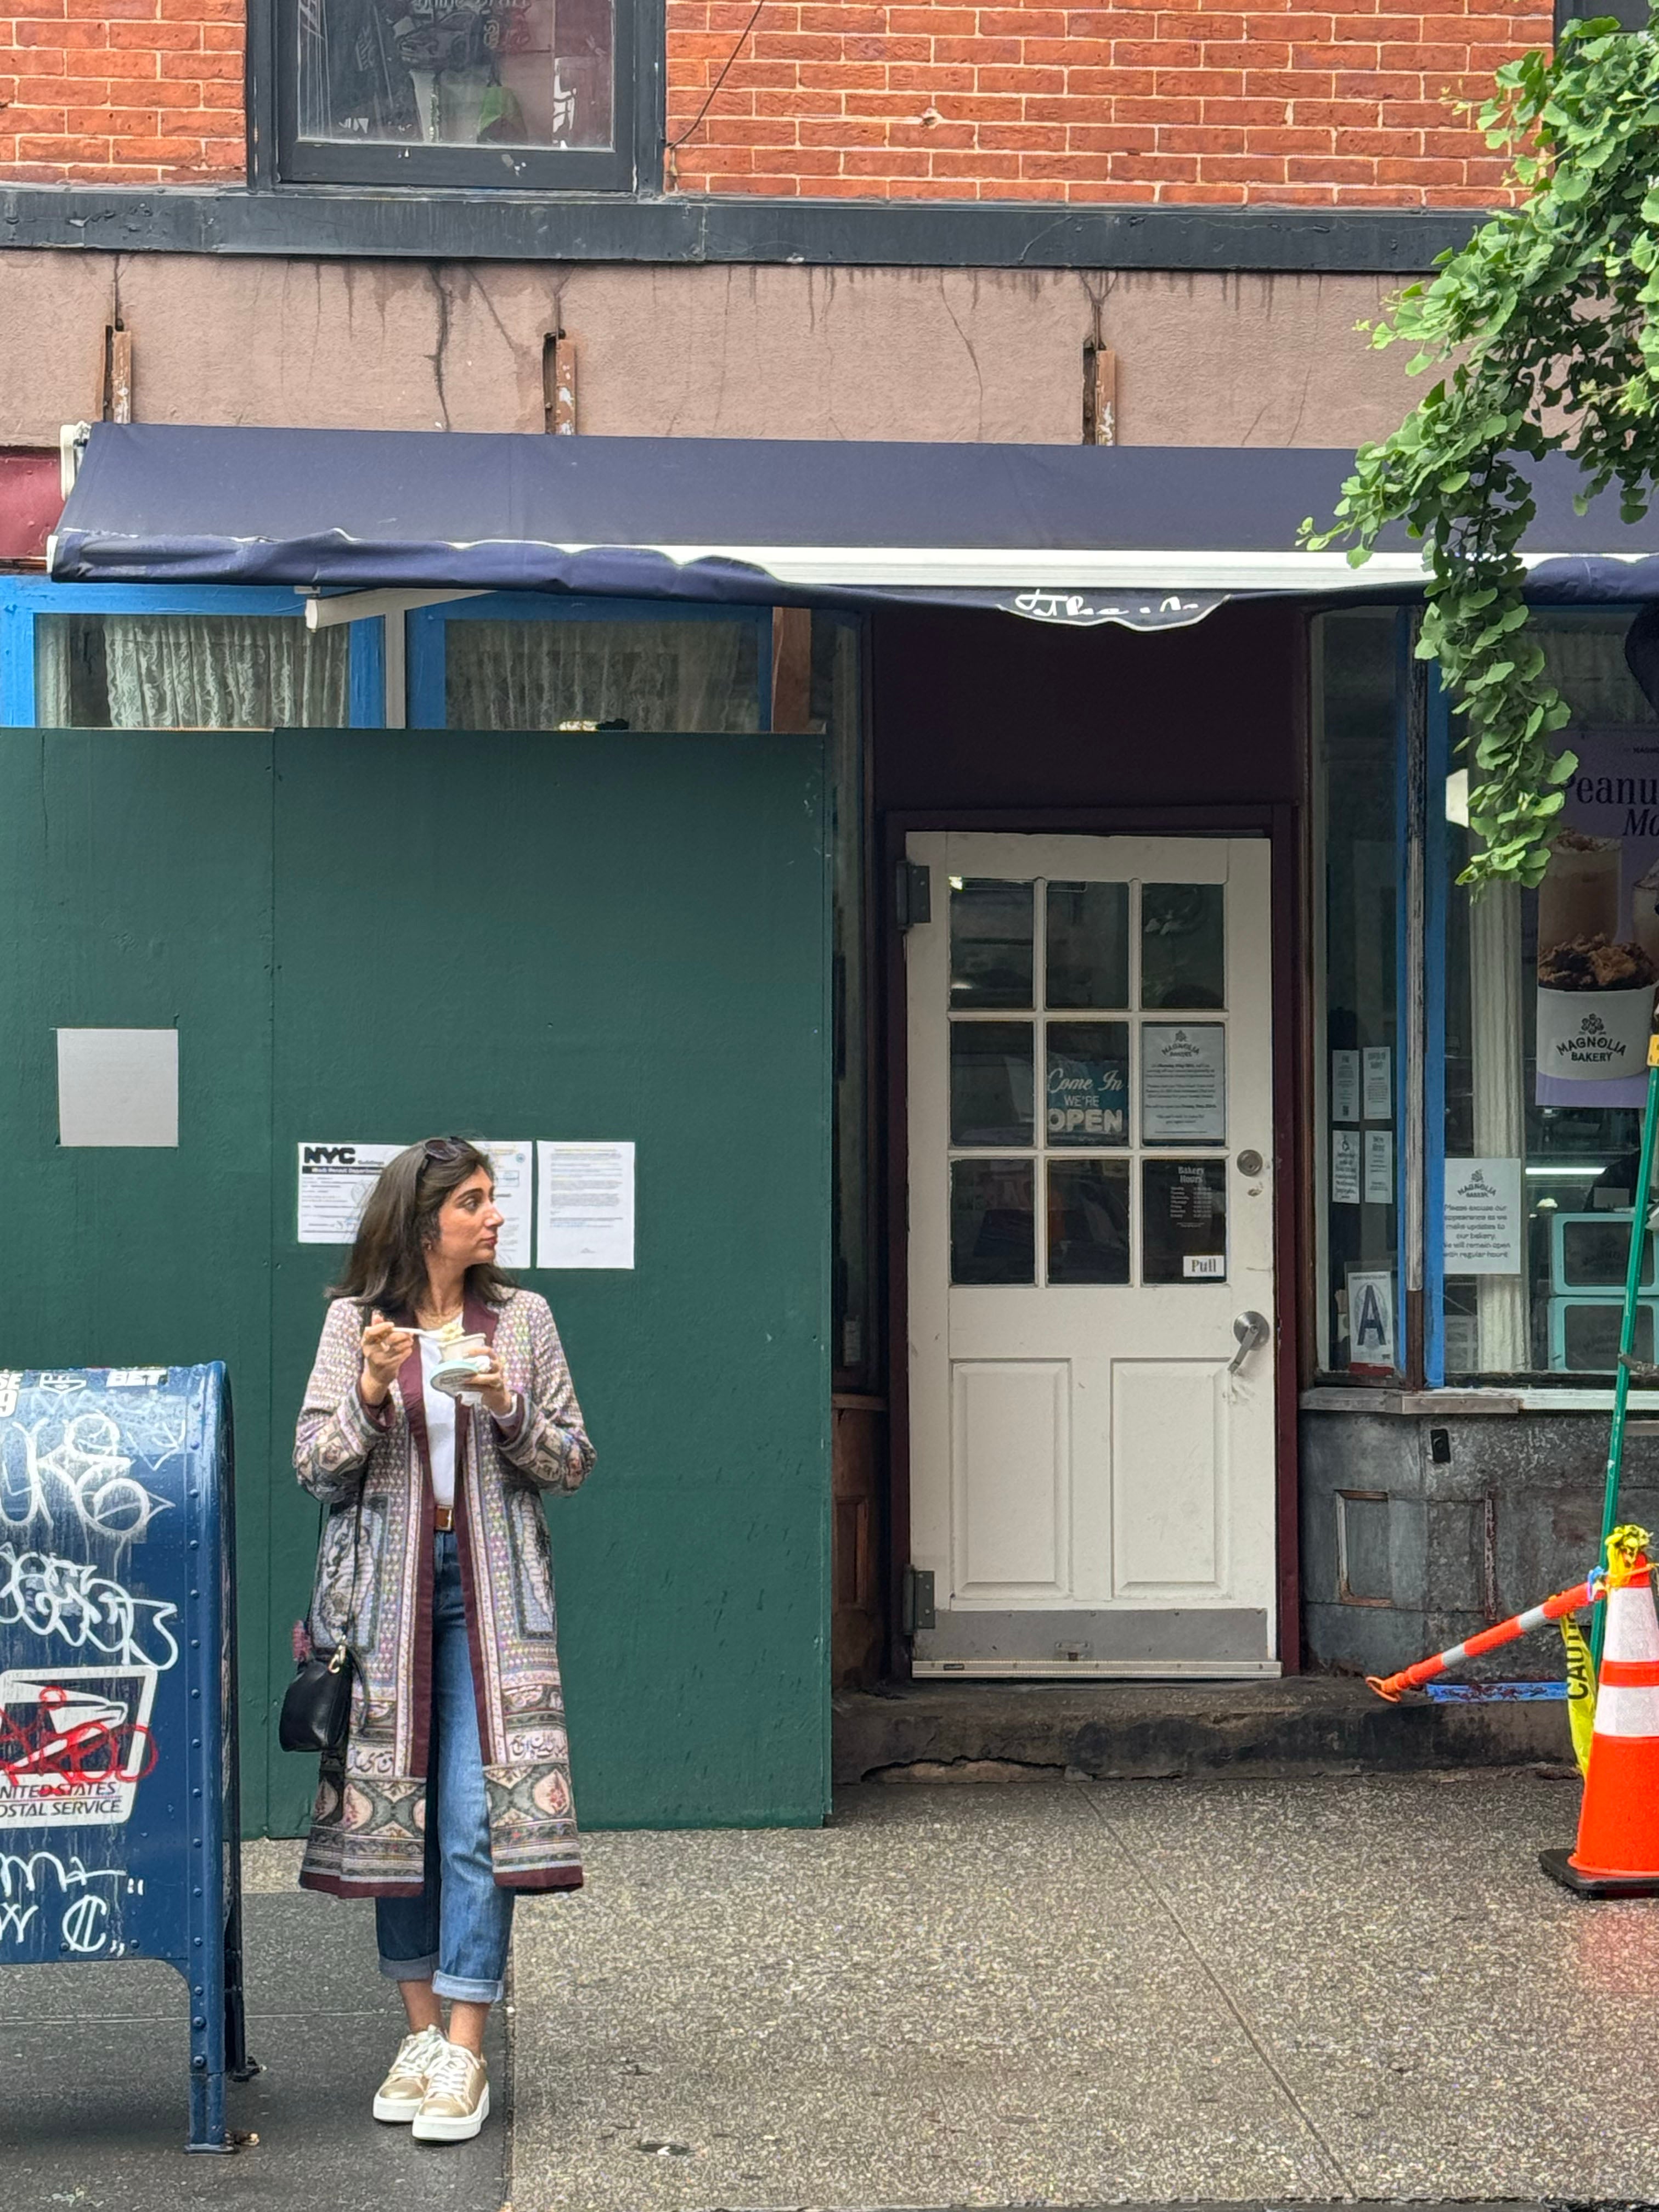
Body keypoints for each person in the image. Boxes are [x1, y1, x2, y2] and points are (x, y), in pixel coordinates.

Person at [294, 1135, 594, 2143]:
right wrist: (372, 1393)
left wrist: (506, 1404)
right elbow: (316, 1466)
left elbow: (573, 1461)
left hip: (492, 1595)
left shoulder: (524, 1320)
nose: (494, 1215)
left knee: (475, 1818)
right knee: (396, 1825)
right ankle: (421, 2037)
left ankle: (466, 2046)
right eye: (474, 1200)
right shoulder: (356, 1324)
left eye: (491, 1197)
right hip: (383, 1606)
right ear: (424, 1222)